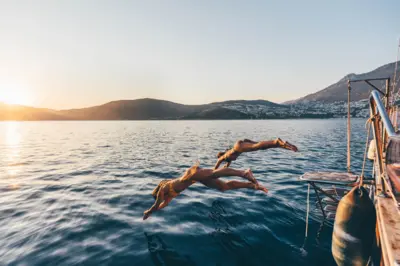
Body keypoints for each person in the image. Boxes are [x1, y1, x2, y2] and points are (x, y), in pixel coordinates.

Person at [143, 162, 268, 220]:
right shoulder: (170, 195)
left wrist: (148, 212)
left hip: (191, 174)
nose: (162, 200)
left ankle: (243, 173)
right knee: (223, 187)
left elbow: (156, 204)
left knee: (213, 174)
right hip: (194, 178)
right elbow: (163, 205)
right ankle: (251, 186)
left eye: (160, 199)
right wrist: (154, 211)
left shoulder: (163, 191)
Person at [214, 138, 298, 169]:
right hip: (239, 145)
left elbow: (218, 162)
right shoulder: (228, 158)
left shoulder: (224, 157)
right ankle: (286, 146)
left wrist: (213, 171)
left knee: (257, 146)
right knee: (260, 146)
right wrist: (225, 167)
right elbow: (227, 164)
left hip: (238, 147)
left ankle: (278, 141)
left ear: (221, 156)